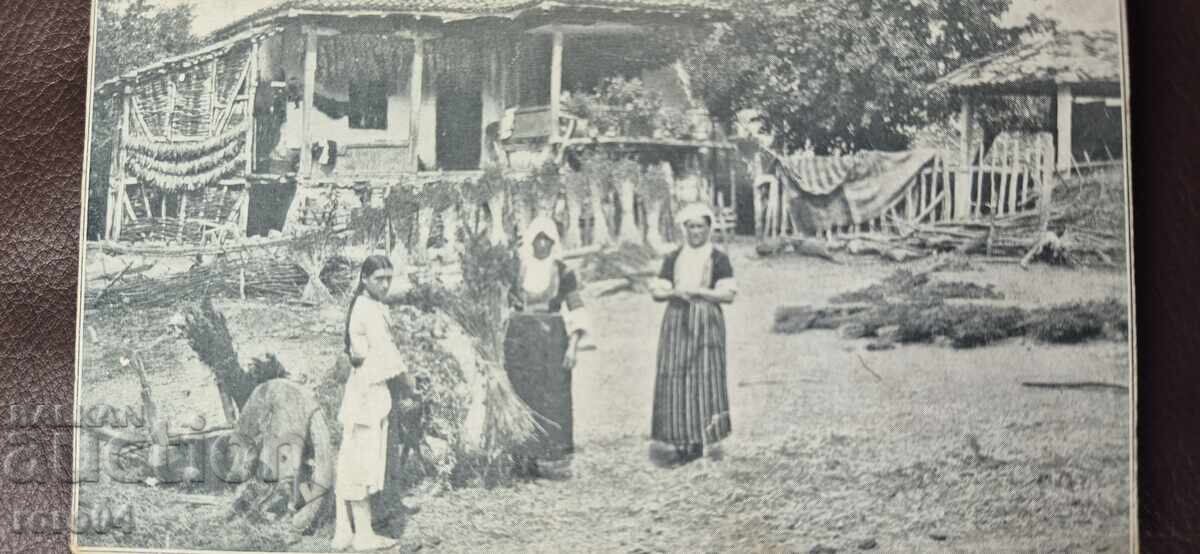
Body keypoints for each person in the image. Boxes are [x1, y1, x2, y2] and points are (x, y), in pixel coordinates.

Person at [649, 203, 737, 464]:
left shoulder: (718, 258)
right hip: (676, 321)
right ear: (683, 230)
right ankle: (681, 441)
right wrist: (673, 292)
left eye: (700, 226)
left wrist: (700, 292)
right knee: (676, 378)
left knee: (705, 377)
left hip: (707, 322)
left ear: (709, 228)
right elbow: (657, 291)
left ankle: (702, 439)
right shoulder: (674, 257)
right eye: (690, 227)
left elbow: (728, 294)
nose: (695, 232)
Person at [504, 216, 589, 477]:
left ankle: (551, 458)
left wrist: (573, 347)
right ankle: (523, 457)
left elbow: (576, 308)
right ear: (530, 241)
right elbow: (506, 306)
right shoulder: (518, 271)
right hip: (520, 342)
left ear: (554, 242)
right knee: (522, 394)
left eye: (547, 239)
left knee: (552, 397)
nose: (542, 244)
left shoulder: (564, 272)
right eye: (537, 239)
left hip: (552, 341)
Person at [333, 255, 405, 551]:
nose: (386, 284)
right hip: (367, 393)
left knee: (356, 458)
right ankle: (362, 535)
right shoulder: (367, 309)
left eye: (389, 278)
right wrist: (410, 385)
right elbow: (387, 354)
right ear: (364, 279)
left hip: (367, 390)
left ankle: (348, 529)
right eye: (379, 279)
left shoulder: (370, 305)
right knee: (361, 461)